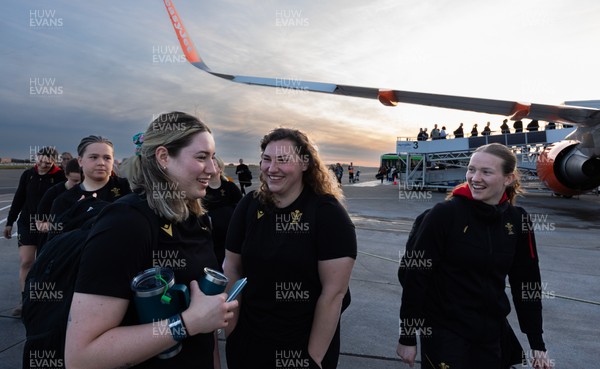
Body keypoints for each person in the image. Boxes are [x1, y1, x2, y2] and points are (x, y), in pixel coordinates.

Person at [65, 112, 238, 369]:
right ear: (164, 157)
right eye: (201, 157)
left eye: (212, 157)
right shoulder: (126, 223)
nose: (213, 169)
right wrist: (187, 323)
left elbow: (204, 316)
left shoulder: (196, 218)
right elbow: (82, 356)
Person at [397, 143, 553, 369]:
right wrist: (407, 337)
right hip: (446, 335)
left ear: (508, 179)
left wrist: (537, 343)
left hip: (491, 336)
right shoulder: (444, 215)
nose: (474, 178)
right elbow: (413, 276)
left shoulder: (518, 220)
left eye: (486, 172)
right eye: (471, 169)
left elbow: (526, 282)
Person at [223, 127, 357, 369]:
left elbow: (334, 293)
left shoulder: (327, 213)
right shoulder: (248, 206)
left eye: (283, 160)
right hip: (249, 343)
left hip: (302, 345)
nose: (271, 168)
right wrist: (232, 332)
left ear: (305, 164)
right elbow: (231, 268)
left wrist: (313, 358)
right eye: (266, 159)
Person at [3, 146, 65, 317]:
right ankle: (25, 302)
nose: (43, 164)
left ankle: (44, 300)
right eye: (40, 160)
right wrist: (9, 222)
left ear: (54, 161)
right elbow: (18, 198)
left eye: (47, 161)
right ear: (36, 157)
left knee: (45, 263)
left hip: (48, 224)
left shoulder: (59, 176)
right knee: (26, 261)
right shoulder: (28, 174)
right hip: (27, 221)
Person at [48, 135, 131, 235]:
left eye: (107, 158)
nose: (101, 163)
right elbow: (55, 243)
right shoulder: (64, 201)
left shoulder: (128, 188)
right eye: (93, 157)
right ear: (80, 161)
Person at [201, 156, 243, 268]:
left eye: (213, 165)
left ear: (220, 169)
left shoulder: (229, 186)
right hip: (211, 237)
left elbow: (241, 207)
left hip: (230, 234)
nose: (209, 168)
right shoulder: (202, 189)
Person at [35, 158, 81, 247]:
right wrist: (65, 226)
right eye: (74, 181)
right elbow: (39, 224)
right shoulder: (53, 193)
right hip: (54, 244)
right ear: (66, 175)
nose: (78, 184)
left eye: (81, 180)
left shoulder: (88, 191)